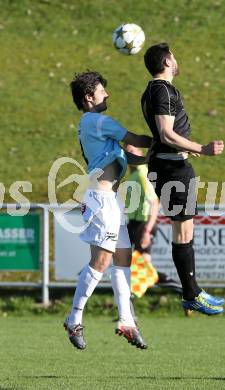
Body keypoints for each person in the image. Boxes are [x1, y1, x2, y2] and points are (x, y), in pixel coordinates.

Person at [64, 71, 152, 350]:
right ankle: (73, 318)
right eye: (102, 91)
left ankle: (126, 320)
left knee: (123, 258)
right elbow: (137, 139)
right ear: (89, 97)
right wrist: (167, 138)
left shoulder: (93, 124)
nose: (107, 94)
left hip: (108, 200)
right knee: (101, 262)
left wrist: (173, 151)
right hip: (101, 199)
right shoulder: (98, 121)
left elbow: (136, 155)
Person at [141, 43, 225, 315]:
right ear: (167, 61)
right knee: (183, 231)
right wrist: (201, 147)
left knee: (185, 230)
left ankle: (193, 291)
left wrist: (186, 147)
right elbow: (165, 133)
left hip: (170, 164)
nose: (176, 60)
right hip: (171, 168)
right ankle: (191, 294)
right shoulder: (162, 89)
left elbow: (164, 134)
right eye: (173, 56)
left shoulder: (153, 90)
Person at [124, 144, 182, 291]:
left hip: (143, 224)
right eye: (127, 153)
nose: (130, 155)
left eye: (132, 151)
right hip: (133, 223)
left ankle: (180, 289)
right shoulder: (133, 174)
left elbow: (155, 204)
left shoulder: (143, 174)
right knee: (131, 266)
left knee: (141, 268)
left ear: (140, 152)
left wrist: (147, 231)